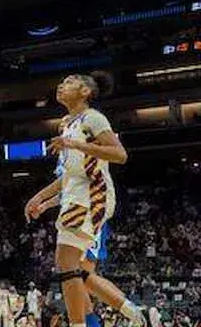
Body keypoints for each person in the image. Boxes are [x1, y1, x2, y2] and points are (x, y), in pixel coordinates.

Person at [24, 74, 155, 327]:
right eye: (60, 82)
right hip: (76, 194)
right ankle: (134, 313)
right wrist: (39, 197)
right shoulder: (68, 125)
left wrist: (75, 144)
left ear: (84, 91)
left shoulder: (93, 118)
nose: (61, 85)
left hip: (92, 196)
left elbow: (120, 154)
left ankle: (99, 319)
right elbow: (68, 177)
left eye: (69, 81)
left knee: (69, 264)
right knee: (70, 267)